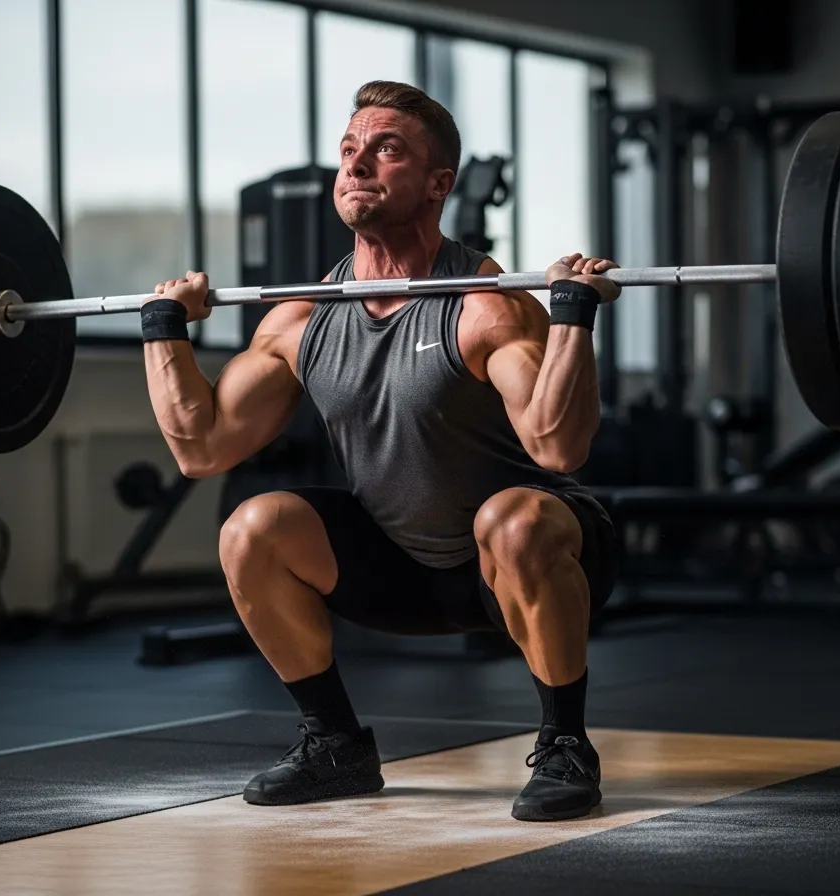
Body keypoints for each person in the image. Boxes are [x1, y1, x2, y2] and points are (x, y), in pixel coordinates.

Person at [140, 81, 620, 822]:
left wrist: (572, 316)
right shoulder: (302, 316)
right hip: (399, 567)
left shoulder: (483, 305)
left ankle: (564, 744)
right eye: (349, 150)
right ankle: (334, 744)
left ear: (438, 184)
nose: (358, 165)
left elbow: (558, 446)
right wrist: (163, 329)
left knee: (515, 519)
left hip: (528, 560)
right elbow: (203, 448)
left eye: (386, 149)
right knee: (251, 528)